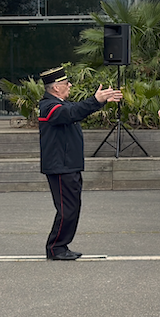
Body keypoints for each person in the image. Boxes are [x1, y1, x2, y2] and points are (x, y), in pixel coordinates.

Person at [37, 65, 121, 261]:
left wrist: (98, 102)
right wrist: (95, 100)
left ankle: (61, 245)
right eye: (66, 83)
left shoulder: (60, 104)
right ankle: (55, 247)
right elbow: (72, 113)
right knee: (67, 209)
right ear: (56, 87)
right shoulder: (49, 106)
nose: (70, 86)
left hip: (68, 164)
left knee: (72, 208)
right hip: (60, 165)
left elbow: (75, 110)